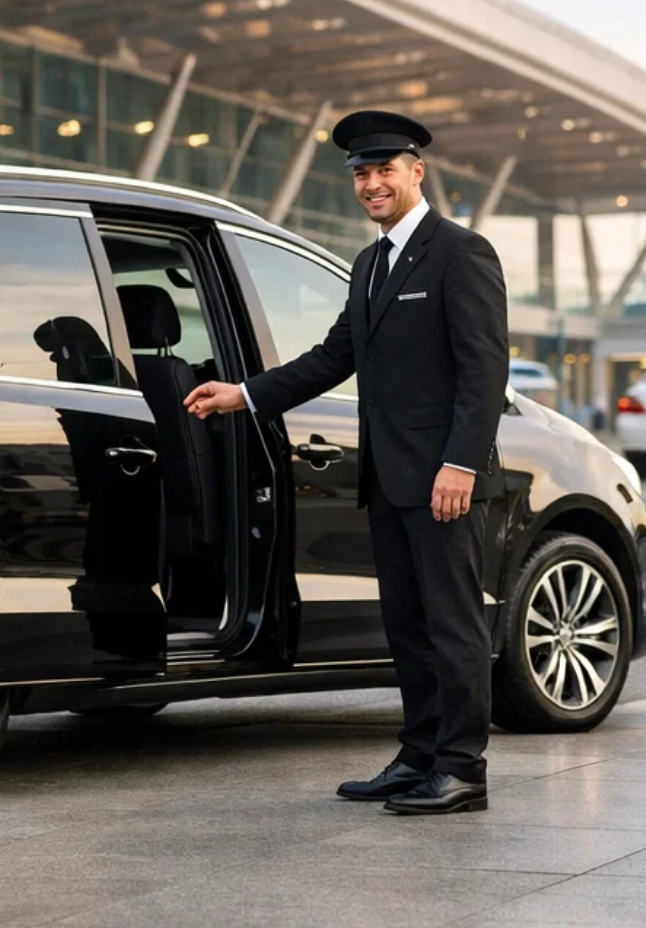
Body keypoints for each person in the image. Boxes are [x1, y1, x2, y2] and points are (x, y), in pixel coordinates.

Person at [184, 110, 510, 815]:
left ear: (416, 172)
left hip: (444, 480)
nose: (372, 184)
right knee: (408, 625)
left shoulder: (461, 252)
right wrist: (242, 394)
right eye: (362, 174)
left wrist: (461, 464)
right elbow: (334, 357)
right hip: (390, 479)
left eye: (384, 170)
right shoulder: (370, 264)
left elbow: (485, 370)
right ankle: (419, 755)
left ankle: (462, 768)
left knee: (453, 625)